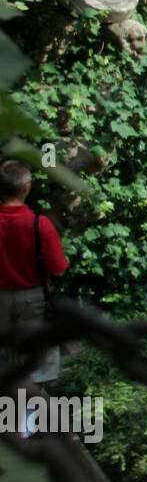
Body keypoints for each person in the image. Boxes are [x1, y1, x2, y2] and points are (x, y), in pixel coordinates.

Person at [0, 160, 68, 384]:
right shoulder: (40, 224)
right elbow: (58, 270)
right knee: (36, 363)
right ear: (25, 188)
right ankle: (31, 413)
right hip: (33, 298)